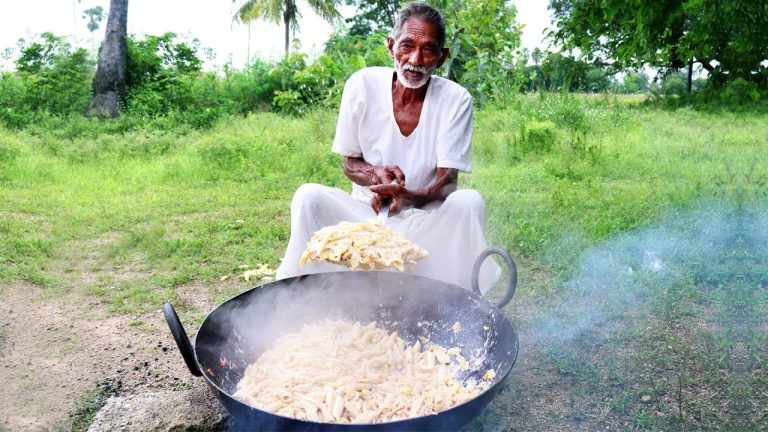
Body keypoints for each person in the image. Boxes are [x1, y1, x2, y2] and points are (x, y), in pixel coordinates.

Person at [275, 2, 500, 292]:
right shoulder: (362, 85)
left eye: (428, 49)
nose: (416, 59)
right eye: (407, 46)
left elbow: (447, 183)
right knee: (308, 197)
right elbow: (349, 163)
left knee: (469, 202)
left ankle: (456, 296)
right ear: (391, 46)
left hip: (424, 222)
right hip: (363, 217)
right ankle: (300, 293)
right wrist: (375, 174)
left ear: (441, 57)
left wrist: (409, 198)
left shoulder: (456, 100)